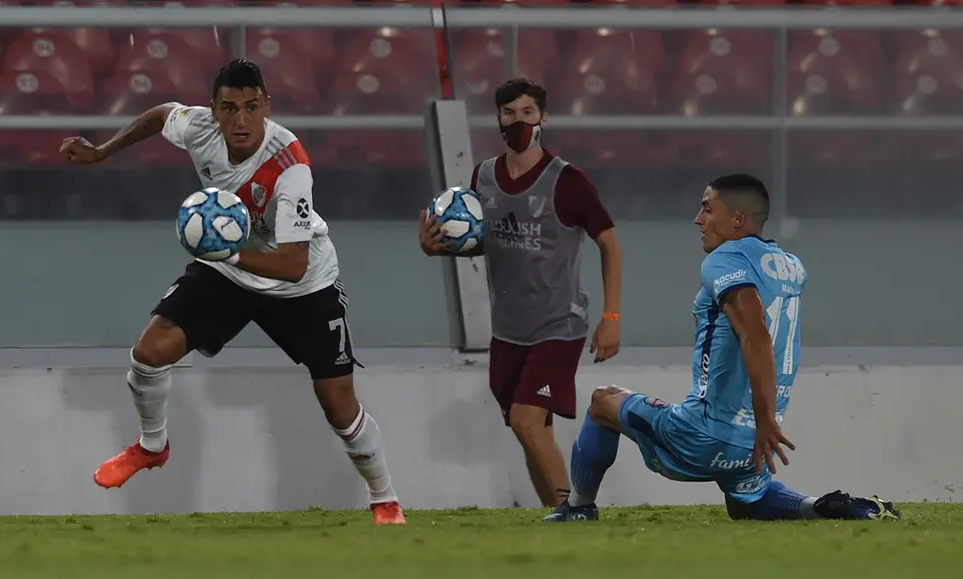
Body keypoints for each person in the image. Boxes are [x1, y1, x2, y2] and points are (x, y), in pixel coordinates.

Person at [59, 59, 406, 526]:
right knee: (149, 352)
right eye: (229, 108)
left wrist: (226, 255)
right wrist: (102, 152)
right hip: (230, 269)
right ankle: (151, 446)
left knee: (341, 411)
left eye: (250, 107)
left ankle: (385, 498)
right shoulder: (199, 127)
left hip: (303, 285)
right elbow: (161, 114)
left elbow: (292, 262)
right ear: (213, 110)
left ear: (267, 106)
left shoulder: (290, 166)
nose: (240, 120)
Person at [545, 173, 900, 522]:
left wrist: (764, 420)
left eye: (707, 209)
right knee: (744, 504)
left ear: (737, 219)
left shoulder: (725, 259)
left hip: (705, 435)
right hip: (755, 445)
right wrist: (764, 423)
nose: (698, 219)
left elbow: (755, 333)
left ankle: (578, 508)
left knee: (602, 401)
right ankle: (822, 507)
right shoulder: (791, 267)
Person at [419, 78, 624, 509]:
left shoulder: (567, 181)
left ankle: (577, 513)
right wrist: (440, 247)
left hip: (558, 325)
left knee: (526, 421)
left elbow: (609, 242)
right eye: (509, 114)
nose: (518, 122)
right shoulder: (484, 177)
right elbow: (486, 239)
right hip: (509, 329)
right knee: (529, 430)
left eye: (527, 114)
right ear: (498, 118)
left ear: (543, 119)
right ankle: (558, 518)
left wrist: (611, 318)